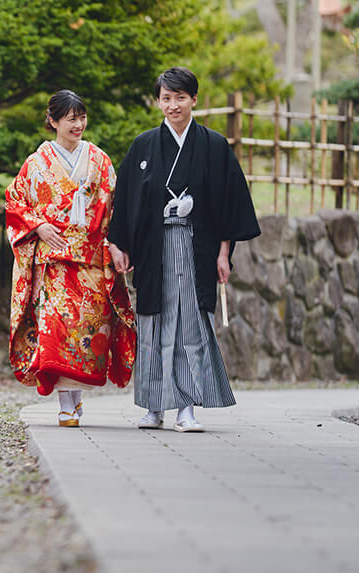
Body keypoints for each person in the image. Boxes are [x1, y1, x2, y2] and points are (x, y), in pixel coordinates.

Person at [106, 67, 260, 432]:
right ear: (157, 101)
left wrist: (224, 254)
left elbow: (228, 204)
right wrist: (119, 244)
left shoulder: (214, 146)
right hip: (152, 249)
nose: (172, 105)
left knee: (190, 326)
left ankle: (186, 407)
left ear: (194, 99)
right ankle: (153, 406)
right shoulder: (144, 145)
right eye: (166, 98)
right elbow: (124, 200)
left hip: (196, 247)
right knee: (153, 325)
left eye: (179, 97)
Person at [5, 90, 136, 427]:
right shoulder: (36, 164)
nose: (78, 125)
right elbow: (15, 203)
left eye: (82, 117)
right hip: (54, 264)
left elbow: (115, 208)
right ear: (53, 121)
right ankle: (66, 404)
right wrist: (39, 226)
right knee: (57, 331)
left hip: (91, 258)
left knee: (87, 332)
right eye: (71, 119)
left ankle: (75, 400)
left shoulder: (99, 160)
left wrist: (119, 244)